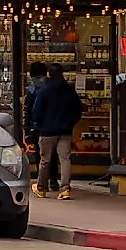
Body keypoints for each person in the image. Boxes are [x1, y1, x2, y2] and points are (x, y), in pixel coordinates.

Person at [32, 67, 84, 198]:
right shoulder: (69, 91)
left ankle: (41, 188)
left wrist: (39, 124)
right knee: (65, 159)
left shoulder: (44, 90)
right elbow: (78, 109)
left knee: (45, 160)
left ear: (49, 74)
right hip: (65, 131)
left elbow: (36, 111)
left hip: (47, 131)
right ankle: (65, 189)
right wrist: (70, 123)